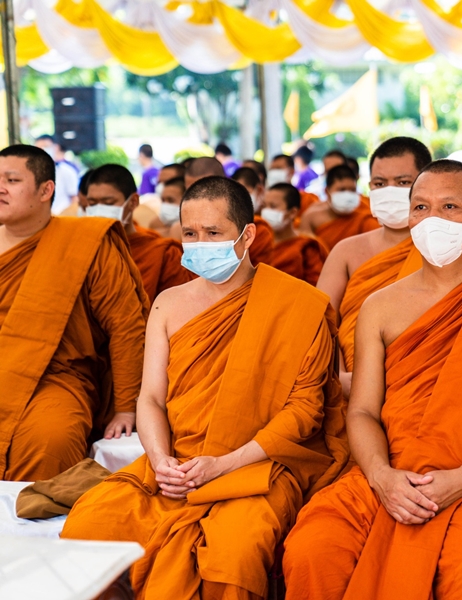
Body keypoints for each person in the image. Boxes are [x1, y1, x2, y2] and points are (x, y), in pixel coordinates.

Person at [283, 159, 462, 600]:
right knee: (313, 547)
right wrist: (382, 477)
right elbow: (362, 411)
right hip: (392, 468)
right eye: (421, 207)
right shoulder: (381, 307)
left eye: (450, 207)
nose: (432, 218)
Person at [61, 176, 350, 599]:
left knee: (233, 552)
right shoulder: (168, 303)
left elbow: (304, 412)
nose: (200, 244)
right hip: (176, 464)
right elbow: (151, 398)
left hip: (257, 467)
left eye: (213, 233)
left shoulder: (298, 304)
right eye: (190, 234)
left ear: (247, 235)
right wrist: (161, 460)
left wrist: (224, 464)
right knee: (91, 524)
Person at [0, 145, 148, 481]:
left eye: (12, 180)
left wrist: (127, 407)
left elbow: (126, 327)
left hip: (57, 380)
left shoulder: (85, 243)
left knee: (51, 440)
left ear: (46, 190)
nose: (1, 188)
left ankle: (34, 516)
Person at [317, 137, 432, 400]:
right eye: (379, 184)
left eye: (402, 182)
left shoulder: (446, 249)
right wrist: (339, 376)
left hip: (422, 387)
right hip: (351, 388)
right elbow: (320, 324)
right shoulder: (346, 252)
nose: (389, 191)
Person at [85, 164, 192, 302]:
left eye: (109, 203)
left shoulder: (162, 253)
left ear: (133, 202)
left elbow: (177, 305)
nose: (99, 210)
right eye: (92, 203)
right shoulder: (82, 248)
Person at [297, 165, 379, 251]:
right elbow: (305, 251)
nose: (347, 195)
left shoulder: (364, 218)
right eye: (342, 190)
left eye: (352, 190)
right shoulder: (311, 217)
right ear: (327, 192)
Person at [263, 182, 329, 286]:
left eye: (273, 206)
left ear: (292, 213)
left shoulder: (306, 247)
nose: (266, 211)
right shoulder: (259, 242)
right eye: (264, 206)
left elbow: (314, 288)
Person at [34, 134, 79, 215]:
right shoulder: (33, 173)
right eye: (39, 149)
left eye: (46, 147)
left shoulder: (66, 170)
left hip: (63, 217)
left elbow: (75, 198)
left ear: (55, 148)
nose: (43, 151)